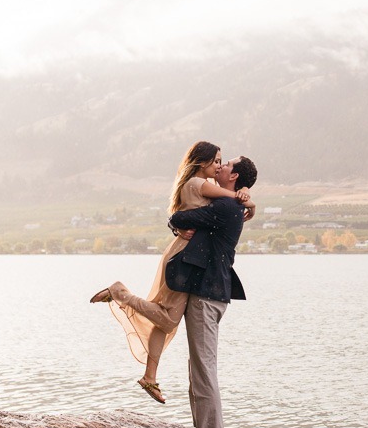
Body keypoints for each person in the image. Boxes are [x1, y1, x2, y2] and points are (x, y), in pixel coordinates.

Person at [89, 141, 253, 404]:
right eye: (217, 161)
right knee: (167, 320)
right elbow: (223, 200)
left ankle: (149, 377)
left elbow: (191, 213)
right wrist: (247, 198)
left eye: (224, 162)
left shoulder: (202, 186)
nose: (220, 166)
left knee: (164, 320)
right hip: (184, 259)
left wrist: (244, 190)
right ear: (203, 163)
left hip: (188, 258)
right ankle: (120, 292)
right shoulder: (198, 184)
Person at [166, 155, 258, 428]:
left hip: (207, 294)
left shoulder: (224, 207)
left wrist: (179, 224)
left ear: (234, 177)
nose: (220, 166)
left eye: (227, 164)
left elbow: (180, 218)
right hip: (211, 293)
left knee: (204, 370)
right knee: (198, 367)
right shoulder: (231, 204)